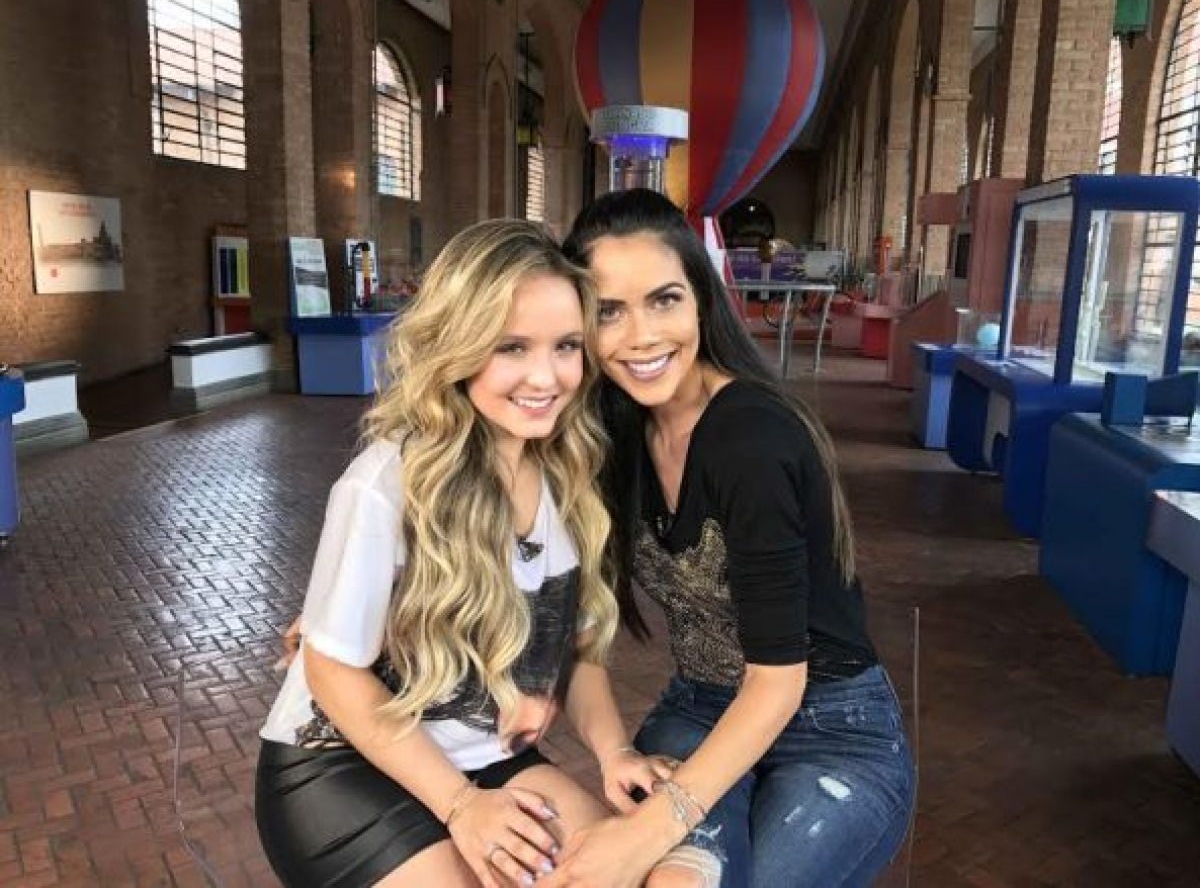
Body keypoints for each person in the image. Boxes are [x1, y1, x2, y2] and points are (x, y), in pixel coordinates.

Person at [256, 220, 696, 888]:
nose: (545, 376)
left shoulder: (572, 475)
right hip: (341, 766)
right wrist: (460, 807)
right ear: (459, 347)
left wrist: (615, 753)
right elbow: (331, 672)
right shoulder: (385, 484)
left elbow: (576, 652)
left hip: (487, 760)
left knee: (626, 873)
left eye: (566, 346)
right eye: (511, 347)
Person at [540, 189, 915, 888]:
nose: (641, 336)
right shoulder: (611, 435)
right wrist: (612, 750)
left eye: (664, 300)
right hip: (703, 706)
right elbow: (582, 629)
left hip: (832, 727)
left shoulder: (752, 438)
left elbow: (777, 682)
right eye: (608, 311)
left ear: (701, 300)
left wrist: (648, 830)